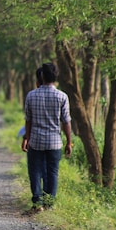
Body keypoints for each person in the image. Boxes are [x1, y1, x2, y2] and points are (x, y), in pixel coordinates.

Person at [21, 62, 72, 214]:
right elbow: (66, 121)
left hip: (36, 141)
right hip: (54, 142)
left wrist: (27, 138)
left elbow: (28, 120)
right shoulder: (62, 96)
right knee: (52, 173)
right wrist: (69, 142)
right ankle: (50, 203)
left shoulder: (31, 95)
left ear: (42, 76)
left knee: (35, 171)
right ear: (56, 77)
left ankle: (38, 203)